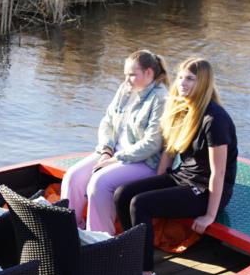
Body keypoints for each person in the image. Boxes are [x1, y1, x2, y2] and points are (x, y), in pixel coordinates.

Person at [109, 58, 238, 275]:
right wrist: (156, 182)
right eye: (180, 77)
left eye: (190, 78)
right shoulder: (183, 109)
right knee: (123, 194)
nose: (182, 83)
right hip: (183, 178)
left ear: (204, 83)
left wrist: (210, 214)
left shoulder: (214, 119)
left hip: (204, 189)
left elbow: (219, 173)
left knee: (141, 203)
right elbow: (169, 151)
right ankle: (132, 256)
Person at [59, 50, 169, 232]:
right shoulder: (125, 90)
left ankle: (100, 239)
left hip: (143, 162)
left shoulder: (160, 98)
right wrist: (106, 150)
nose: (127, 80)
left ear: (149, 73)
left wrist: (116, 159)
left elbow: (152, 143)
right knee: (73, 177)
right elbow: (107, 121)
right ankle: (69, 231)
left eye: (132, 75)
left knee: (99, 182)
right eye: (126, 75)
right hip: (113, 154)